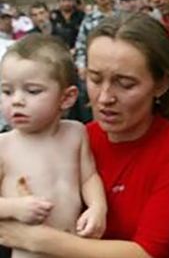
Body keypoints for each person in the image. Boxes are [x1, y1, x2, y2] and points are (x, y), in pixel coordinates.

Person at [0, 13, 169, 258]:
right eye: (95, 79)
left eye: (125, 84)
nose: (105, 97)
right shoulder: (73, 137)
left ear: (161, 84)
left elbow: (148, 253)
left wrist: (38, 240)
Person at [0, 34, 107, 258]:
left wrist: (98, 207)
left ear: (67, 98)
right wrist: (14, 209)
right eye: (7, 91)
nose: (17, 100)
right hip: (29, 252)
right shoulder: (5, 146)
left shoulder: (76, 132)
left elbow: (88, 177)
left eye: (32, 91)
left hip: (74, 246)